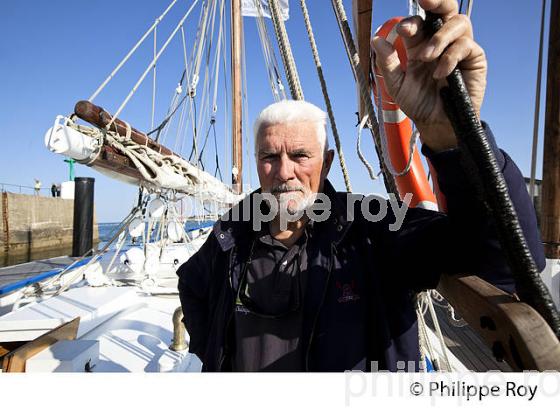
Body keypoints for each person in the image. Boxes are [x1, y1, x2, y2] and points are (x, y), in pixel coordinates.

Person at [177, 0, 545, 371]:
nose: (283, 171)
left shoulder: (372, 231)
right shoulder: (232, 231)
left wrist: (456, 140)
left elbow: (504, 259)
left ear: (328, 164)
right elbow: (191, 284)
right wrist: (215, 361)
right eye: (269, 157)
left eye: (300, 155)